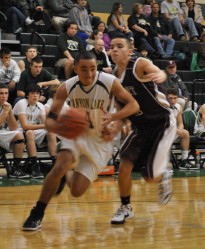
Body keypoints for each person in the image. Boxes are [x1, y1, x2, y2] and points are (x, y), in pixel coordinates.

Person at [22, 50, 139, 231]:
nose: (89, 74)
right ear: (75, 68)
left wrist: (113, 118)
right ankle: (37, 213)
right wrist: (65, 127)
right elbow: (50, 122)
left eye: (93, 68)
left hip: (100, 142)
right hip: (76, 135)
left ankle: (64, 177)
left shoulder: (109, 82)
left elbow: (133, 105)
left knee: (76, 191)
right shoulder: (66, 87)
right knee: (60, 165)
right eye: (84, 69)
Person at [109, 36, 176, 225]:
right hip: (141, 125)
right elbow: (120, 109)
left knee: (150, 178)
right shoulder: (115, 77)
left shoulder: (139, 64)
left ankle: (164, 175)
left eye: (119, 46)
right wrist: (114, 126)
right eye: (112, 46)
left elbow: (158, 72)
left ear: (130, 51)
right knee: (124, 165)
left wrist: (160, 75)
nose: (114, 50)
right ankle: (125, 207)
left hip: (162, 122)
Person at [13, 84, 57, 179]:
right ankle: (34, 166)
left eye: (37, 93)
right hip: (18, 131)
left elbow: (45, 124)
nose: (35, 96)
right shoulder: (22, 103)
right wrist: (45, 125)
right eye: (32, 93)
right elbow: (24, 126)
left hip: (34, 130)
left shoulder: (40, 105)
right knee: (29, 132)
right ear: (27, 95)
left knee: (51, 133)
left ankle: (55, 162)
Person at [0, 83, 29, 178]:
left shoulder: (7, 106)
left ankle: (16, 168)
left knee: (19, 135)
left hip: (2, 132)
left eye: (6, 93)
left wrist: (10, 111)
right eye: (1, 93)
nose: (4, 96)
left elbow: (13, 128)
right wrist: (4, 112)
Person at [166, 88, 196, 170]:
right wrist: (175, 130)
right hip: (163, 131)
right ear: (166, 98)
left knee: (185, 133)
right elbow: (162, 124)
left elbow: (180, 123)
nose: (173, 100)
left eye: (175, 98)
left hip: (172, 131)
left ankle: (184, 161)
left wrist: (180, 129)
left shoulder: (178, 107)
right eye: (170, 98)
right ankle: (163, 164)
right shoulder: (162, 106)